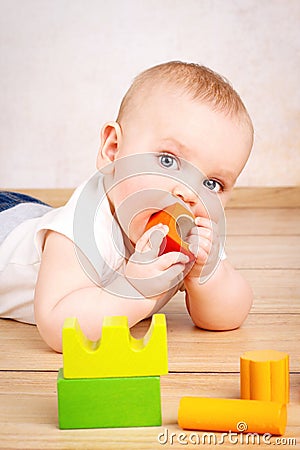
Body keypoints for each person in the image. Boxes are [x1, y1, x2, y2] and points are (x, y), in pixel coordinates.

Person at [0, 61, 254, 352]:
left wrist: (207, 277)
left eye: (212, 184)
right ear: (113, 150)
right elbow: (58, 328)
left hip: (33, 213)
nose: (189, 193)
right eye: (168, 161)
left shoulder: (192, 231)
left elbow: (229, 315)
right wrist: (133, 290)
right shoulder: (80, 229)